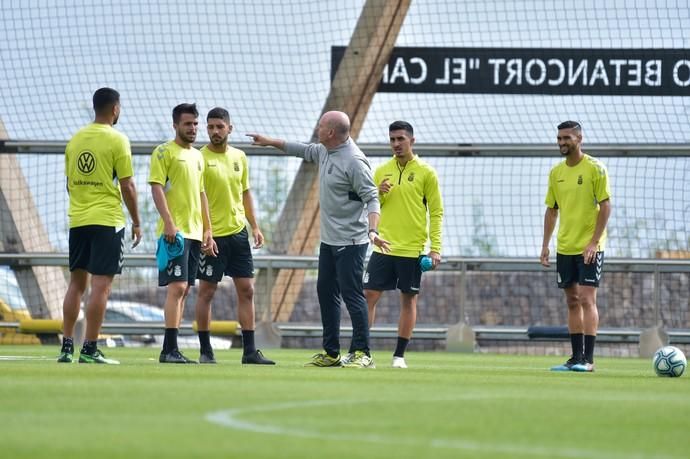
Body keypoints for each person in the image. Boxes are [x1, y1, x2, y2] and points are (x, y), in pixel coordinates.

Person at [247, 111, 389, 368]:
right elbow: (300, 149)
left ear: (331, 132)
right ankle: (332, 353)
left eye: (321, 125)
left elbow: (372, 198)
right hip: (329, 242)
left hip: (352, 242)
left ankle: (363, 353)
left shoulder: (355, 161)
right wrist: (269, 141)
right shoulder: (324, 151)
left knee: (352, 295)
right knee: (325, 291)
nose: (317, 128)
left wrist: (373, 231)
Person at [58, 87, 142, 364]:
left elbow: (70, 185)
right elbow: (128, 186)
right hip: (107, 221)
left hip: (78, 221)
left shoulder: (75, 140)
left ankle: (67, 346)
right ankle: (90, 349)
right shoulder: (118, 140)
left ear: (95, 108)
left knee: (76, 285)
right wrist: (137, 221)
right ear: (115, 109)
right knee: (101, 287)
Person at [193, 107, 274, 365]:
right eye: (210, 127)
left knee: (247, 290)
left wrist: (255, 226)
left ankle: (249, 351)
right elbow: (197, 198)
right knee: (206, 292)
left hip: (238, 235)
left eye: (219, 126)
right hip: (211, 236)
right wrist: (205, 232)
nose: (215, 131)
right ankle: (206, 350)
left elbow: (245, 193)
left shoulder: (240, 157)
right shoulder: (198, 158)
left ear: (230, 128)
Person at [363, 121, 444, 369]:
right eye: (392, 140)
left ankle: (399, 356)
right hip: (383, 246)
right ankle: (363, 352)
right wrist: (379, 192)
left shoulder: (426, 172)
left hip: (412, 249)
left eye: (400, 139)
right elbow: (371, 204)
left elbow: (437, 212)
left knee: (408, 300)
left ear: (412, 141)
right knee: (368, 296)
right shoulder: (381, 171)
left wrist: (435, 247)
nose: (396, 144)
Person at [540, 120, 611, 373]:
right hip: (565, 247)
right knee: (571, 300)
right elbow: (551, 210)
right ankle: (575, 358)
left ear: (579, 139)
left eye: (567, 138)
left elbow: (605, 206)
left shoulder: (595, 168)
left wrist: (593, 242)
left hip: (589, 248)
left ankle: (589, 360)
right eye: (559, 138)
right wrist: (545, 245)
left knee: (586, 298)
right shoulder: (556, 173)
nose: (561, 143)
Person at [149, 103, 216, 364]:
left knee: (186, 289)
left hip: (195, 233)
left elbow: (201, 194)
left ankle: (172, 348)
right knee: (177, 287)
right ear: (175, 125)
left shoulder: (198, 157)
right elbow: (156, 187)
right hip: (173, 233)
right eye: (188, 124)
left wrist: (207, 229)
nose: (193, 129)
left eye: (195, 124)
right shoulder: (163, 152)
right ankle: (168, 349)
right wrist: (168, 222)